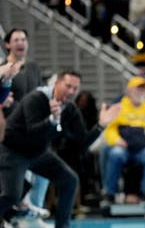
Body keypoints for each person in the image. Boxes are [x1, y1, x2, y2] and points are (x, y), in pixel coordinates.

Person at [0, 70, 119, 228]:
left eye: (75, 88)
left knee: (69, 180)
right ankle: (13, 215)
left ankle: (62, 226)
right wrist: (51, 120)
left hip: (38, 152)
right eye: (68, 86)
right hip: (13, 151)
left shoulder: (70, 108)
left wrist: (100, 126)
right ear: (56, 84)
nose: (71, 91)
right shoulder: (36, 98)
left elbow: (82, 143)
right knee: (12, 196)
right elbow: (32, 131)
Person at [102, 76, 145, 204]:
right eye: (137, 89)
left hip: (142, 150)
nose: (140, 92)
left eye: (143, 89)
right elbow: (110, 130)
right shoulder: (119, 107)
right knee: (115, 153)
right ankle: (110, 193)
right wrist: (117, 140)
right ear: (129, 91)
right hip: (124, 147)